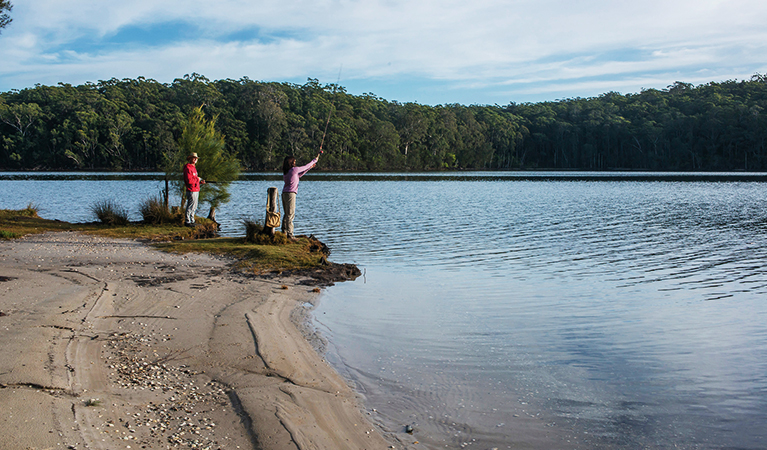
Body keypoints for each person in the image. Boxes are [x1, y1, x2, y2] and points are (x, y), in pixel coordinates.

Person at [282, 153, 319, 240]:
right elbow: (305, 166)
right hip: (291, 194)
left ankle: (284, 232)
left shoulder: (287, 172)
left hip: (285, 193)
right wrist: (315, 160)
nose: (295, 162)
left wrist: (310, 168)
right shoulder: (294, 170)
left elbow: (299, 175)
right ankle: (290, 235)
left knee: (287, 214)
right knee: (290, 214)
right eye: (294, 161)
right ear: (291, 162)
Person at [183, 152, 205, 227]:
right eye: (194, 158)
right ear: (190, 159)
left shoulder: (193, 168)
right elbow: (189, 181)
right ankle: (187, 221)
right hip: (191, 190)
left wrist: (200, 182)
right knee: (191, 206)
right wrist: (197, 180)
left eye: (196, 158)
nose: (195, 159)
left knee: (194, 206)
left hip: (196, 189)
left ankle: (192, 220)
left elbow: (194, 180)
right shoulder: (187, 168)